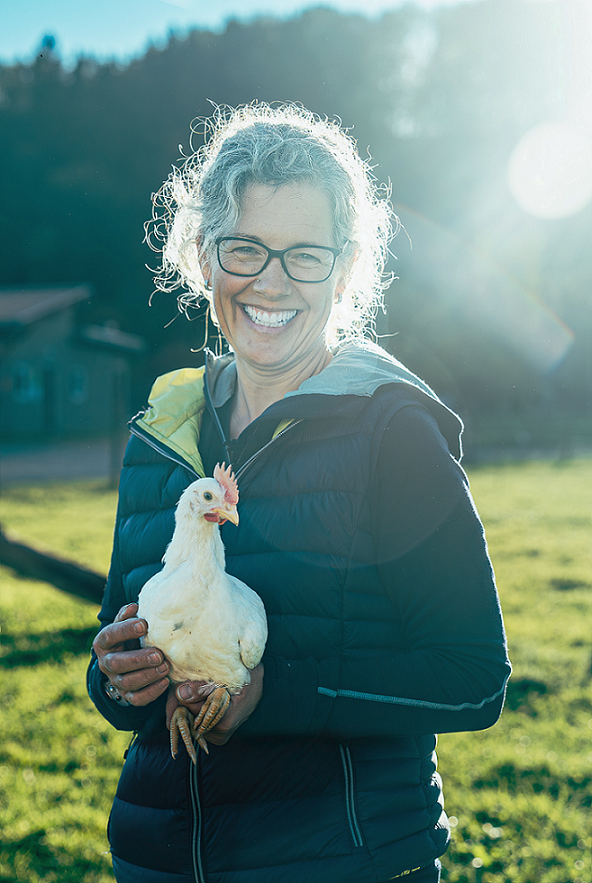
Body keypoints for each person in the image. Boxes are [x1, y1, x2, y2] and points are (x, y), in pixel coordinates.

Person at [88, 103, 511, 883]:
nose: (270, 281)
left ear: (346, 269)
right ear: (202, 256)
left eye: (305, 255)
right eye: (244, 248)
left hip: (343, 861)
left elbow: (472, 677)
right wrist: (115, 673)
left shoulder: (394, 433)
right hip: (157, 859)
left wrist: (272, 692)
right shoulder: (162, 432)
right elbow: (122, 666)